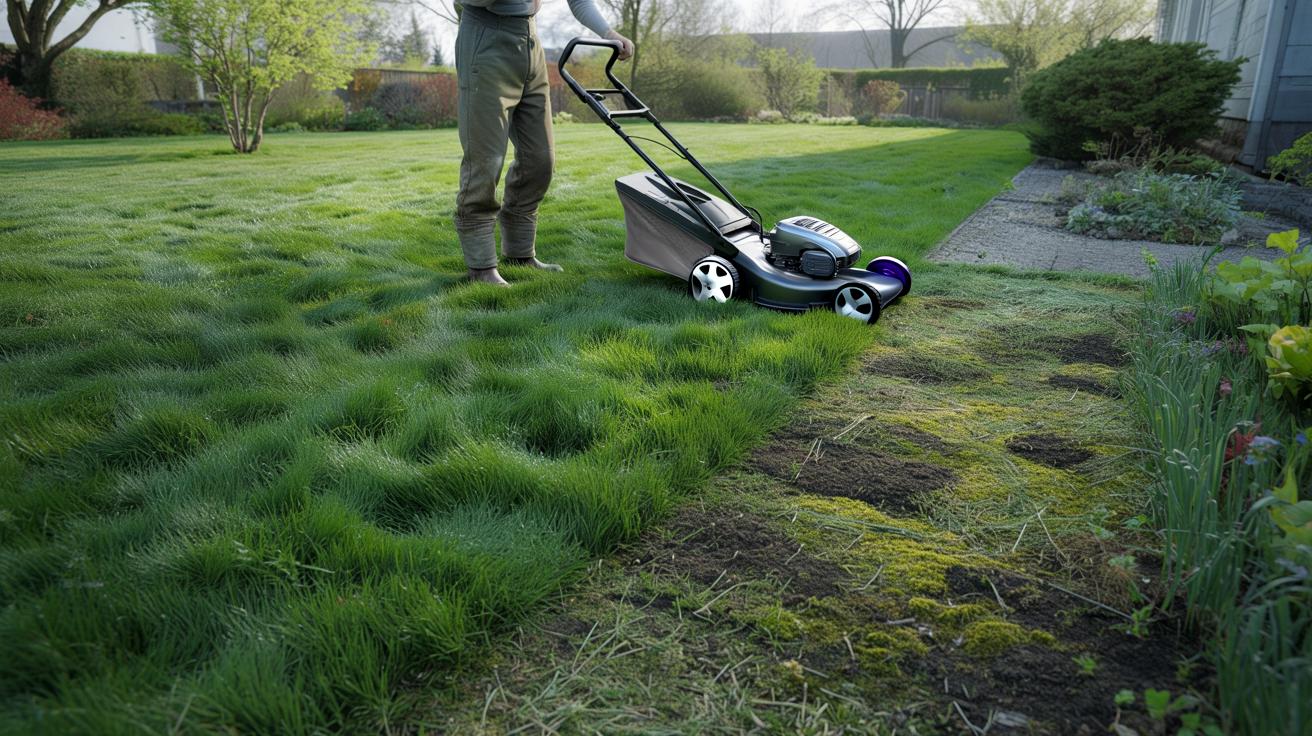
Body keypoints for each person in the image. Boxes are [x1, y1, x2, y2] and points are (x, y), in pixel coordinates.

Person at [454, 0, 635, 286]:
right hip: (485, 38)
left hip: (530, 41)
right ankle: (481, 267)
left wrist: (608, 32)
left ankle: (520, 254)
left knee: (540, 160)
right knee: (485, 160)